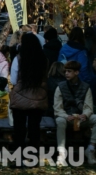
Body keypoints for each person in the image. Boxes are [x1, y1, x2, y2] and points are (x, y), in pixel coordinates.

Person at [10, 32, 48, 160]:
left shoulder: (18, 59)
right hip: (38, 98)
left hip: (20, 98)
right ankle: (32, 157)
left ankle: (18, 157)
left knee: (19, 130)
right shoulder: (44, 60)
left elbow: (14, 80)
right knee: (34, 129)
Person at [53, 61, 96, 165]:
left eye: (69, 71)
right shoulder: (60, 87)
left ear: (76, 72)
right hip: (66, 117)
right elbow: (57, 107)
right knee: (60, 121)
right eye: (65, 71)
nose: (66, 73)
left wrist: (85, 115)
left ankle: (91, 149)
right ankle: (61, 153)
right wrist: (66, 116)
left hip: (81, 118)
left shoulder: (86, 87)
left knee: (95, 118)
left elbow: (89, 106)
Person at [59, 27, 96, 95]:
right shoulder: (82, 51)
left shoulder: (63, 48)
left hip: (66, 81)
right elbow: (84, 68)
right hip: (80, 83)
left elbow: (59, 63)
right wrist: (89, 81)